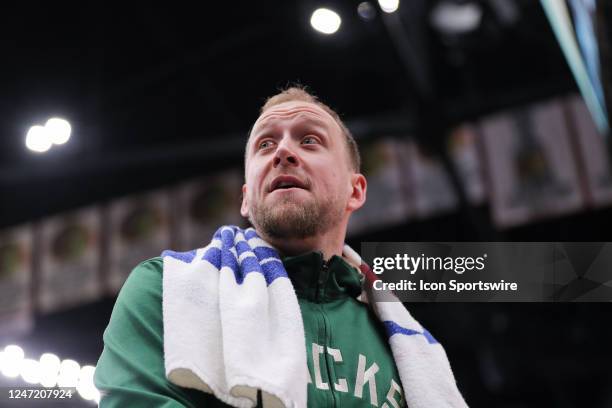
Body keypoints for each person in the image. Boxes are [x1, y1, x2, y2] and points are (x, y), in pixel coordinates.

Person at [94, 87, 461, 407]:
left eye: (309, 140)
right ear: (245, 199)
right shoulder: (164, 289)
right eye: (265, 144)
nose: (283, 152)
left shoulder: (405, 344)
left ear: (356, 190)